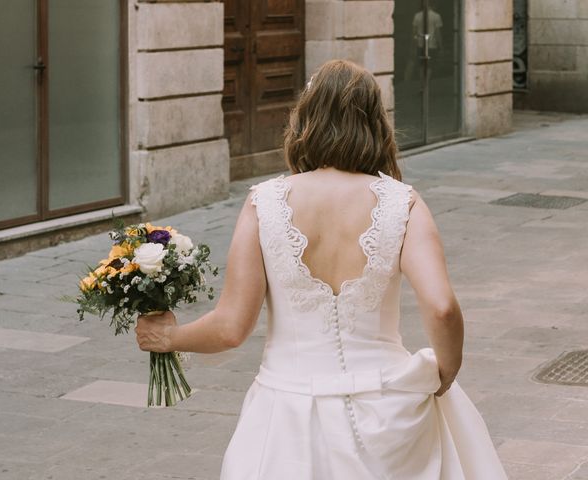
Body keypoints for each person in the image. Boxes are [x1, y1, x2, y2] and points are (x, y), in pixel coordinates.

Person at [135, 60, 507, 479]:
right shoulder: (402, 203)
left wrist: (169, 336)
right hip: (387, 405)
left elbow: (230, 328)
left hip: (287, 416)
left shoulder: (266, 202)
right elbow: (441, 307)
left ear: (306, 120)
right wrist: (445, 373)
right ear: (375, 124)